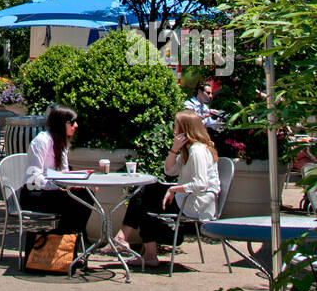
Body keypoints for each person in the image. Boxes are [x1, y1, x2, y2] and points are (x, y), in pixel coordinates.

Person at [113, 111, 221, 266]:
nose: (174, 130)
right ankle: (132, 245)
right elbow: (169, 171)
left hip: (195, 203)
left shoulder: (197, 151)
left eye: (175, 126)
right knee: (144, 194)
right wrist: (174, 150)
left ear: (185, 129)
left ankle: (127, 241)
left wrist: (174, 190)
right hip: (187, 197)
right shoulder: (189, 148)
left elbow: (200, 184)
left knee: (144, 195)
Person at [19, 104, 94, 238]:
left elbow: (63, 173)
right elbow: (34, 178)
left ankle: (64, 238)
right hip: (34, 194)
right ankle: (63, 238)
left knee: (87, 193)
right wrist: (59, 186)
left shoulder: (61, 143)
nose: (76, 125)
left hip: (53, 191)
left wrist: (77, 182)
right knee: (78, 202)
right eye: (72, 122)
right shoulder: (41, 141)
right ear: (62, 124)